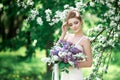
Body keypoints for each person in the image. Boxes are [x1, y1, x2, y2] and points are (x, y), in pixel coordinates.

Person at [58, 10, 92, 80]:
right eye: (70, 25)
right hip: (65, 74)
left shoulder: (85, 40)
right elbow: (56, 50)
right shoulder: (67, 36)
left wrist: (71, 64)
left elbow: (89, 63)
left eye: (76, 23)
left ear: (81, 22)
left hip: (76, 75)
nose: (74, 26)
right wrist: (63, 33)